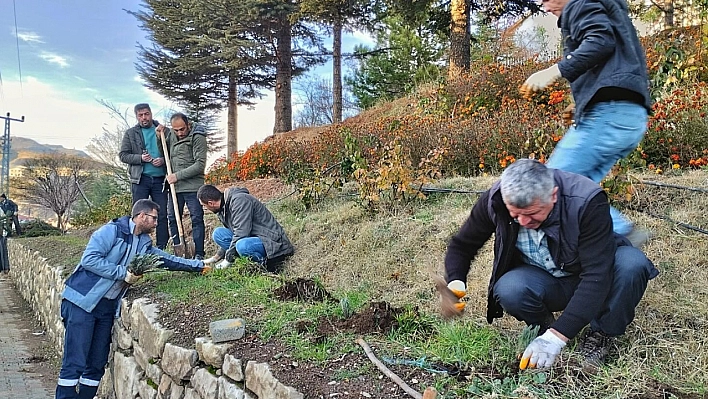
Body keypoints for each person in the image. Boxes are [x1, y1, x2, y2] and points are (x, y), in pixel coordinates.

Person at [442, 159, 658, 370]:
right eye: (515, 214)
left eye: (532, 214)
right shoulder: (496, 200)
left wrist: (558, 337)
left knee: (632, 264)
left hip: (590, 274)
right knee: (510, 288)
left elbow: (596, 276)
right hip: (546, 278)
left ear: (553, 195)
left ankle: (601, 334)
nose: (524, 222)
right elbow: (463, 245)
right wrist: (455, 282)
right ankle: (544, 328)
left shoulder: (586, 201)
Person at [520, 0, 652, 247]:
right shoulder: (607, 8)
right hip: (629, 115)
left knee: (552, 183)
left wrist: (553, 71)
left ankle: (621, 232)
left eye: (546, 0)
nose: (546, 8)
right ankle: (607, 248)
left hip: (610, 113)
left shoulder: (581, 3)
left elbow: (600, 41)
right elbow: (616, 62)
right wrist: (584, 103)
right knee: (577, 191)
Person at [55, 199, 207, 399]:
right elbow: (89, 260)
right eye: (153, 218)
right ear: (141, 216)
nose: (155, 223)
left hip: (106, 308)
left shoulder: (143, 243)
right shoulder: (111, 231)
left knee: (96, 362)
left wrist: (199, 265)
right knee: (75, 361)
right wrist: (122, 273)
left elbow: (164, 259)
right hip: (82, 303)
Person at [197, 184, 294, 272]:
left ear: (211, 203)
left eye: (204, 206)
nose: (206, 209)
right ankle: (241, 260)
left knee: (242, 245)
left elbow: (241, 233)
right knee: (218, 233)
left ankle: (264, 266)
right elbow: (234, 232)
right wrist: (217, 256)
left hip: (272, 241)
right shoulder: (223, 208)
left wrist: (227, 259)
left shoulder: (240, 201)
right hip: (252, 238)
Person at [156, 112, 208, 260]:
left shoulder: (198, 137)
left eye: (182, 129)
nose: (179, 133)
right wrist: (158, 136)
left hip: (192, 186)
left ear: (188, 124)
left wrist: (176, 176)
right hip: (174, 188)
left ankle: (198, 253)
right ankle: (179, 250)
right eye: (176, 130)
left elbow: (200, 165)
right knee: (172, 218)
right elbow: (163, 150)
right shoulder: (172, 134)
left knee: (196, 218)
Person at [119, 103, 169, 249]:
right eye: (140, 115)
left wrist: (164, 160)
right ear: (136, 117)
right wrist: (140, 158)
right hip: (140, 179)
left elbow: (173, 153)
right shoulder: (130, 133)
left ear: (151, 113)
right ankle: (137, 246)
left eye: (146, 114)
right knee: (139, 215)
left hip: (161, 179)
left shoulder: (163, 130)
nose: (144, 117)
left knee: (162, 214)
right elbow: (123, 155)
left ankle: (161, 247)